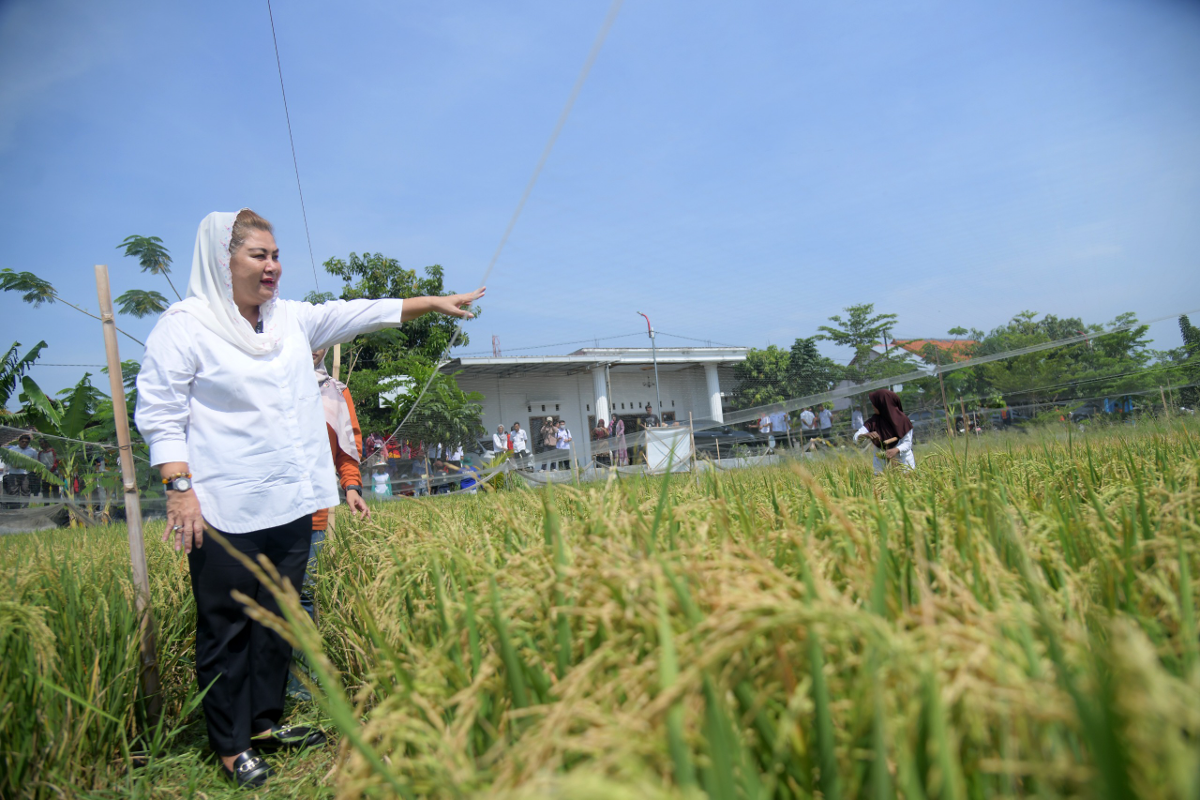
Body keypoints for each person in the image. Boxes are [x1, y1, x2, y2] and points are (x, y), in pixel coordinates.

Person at [134, 209, 484, 788]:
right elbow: (161, 412)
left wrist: (432, 301)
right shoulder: (186, 326)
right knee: (228, 627)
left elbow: (358, 313)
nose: (272, 266)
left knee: (279, 620)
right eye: (258, 255)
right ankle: (229, 745)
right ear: (223, 261)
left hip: (292, 503)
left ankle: (264, 723)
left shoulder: (289, 320)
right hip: (223, 509)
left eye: (275, 255)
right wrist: (179, 490)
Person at [289, 349, 372, 700]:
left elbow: (347, 444)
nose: (312, 349)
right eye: (305, 340)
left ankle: (302, 686)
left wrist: (351, 486)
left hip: (312, 510)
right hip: (266, 508)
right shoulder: (267, 382)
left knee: (304, 593)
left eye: (318, 341)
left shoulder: (334, 392)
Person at [852, 389, 916, 474]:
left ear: (883, 404)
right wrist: (866, 435)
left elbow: (907, 443)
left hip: (904, 465)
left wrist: (896, 450)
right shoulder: (873, 421)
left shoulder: (903, 420)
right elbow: (856, 439)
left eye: (874, 403)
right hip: (881, 467)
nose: (872, 406)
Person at [3, 432, 40, 505]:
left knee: (25, 491)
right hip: (13, 473)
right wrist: (12, 464)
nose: (24, 443)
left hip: (26, 474)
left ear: (29, 443)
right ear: (19, 441)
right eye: (22, 441)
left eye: (26, 442)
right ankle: (14, 508)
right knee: (13, 491)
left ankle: (24, 508)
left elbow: (36, 463)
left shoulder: (32, 451)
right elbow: (6, 461)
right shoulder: (12, 450)